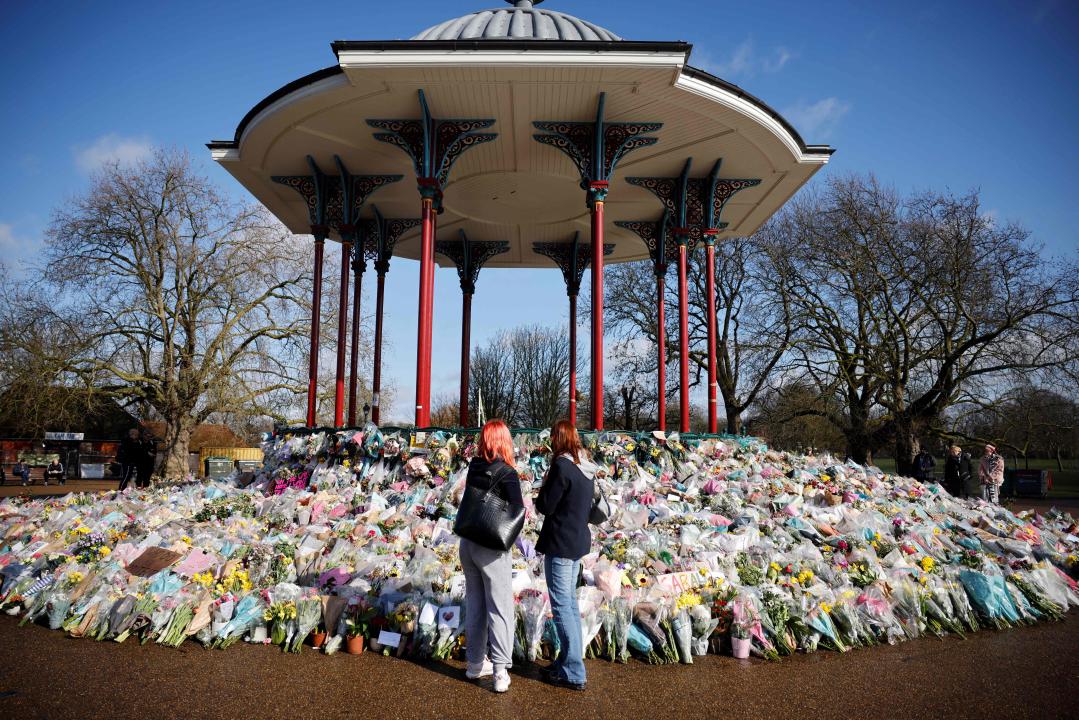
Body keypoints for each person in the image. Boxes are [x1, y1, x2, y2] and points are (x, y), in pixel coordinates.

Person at [458, 419, 523, 694]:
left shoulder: (474, 466)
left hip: (468, 542)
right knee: (499, 608)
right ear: (504, 441)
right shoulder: (507, 473)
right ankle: (499, 672)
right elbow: (518, 510)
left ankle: (474, 664)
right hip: (491, 547)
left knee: (476, 604)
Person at [535, 419, 593, 692]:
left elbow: (546, 506)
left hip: (560, 544)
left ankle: (573, 671)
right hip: (577, 544)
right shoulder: (585, 467)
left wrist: (545, 484)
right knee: (569, 605)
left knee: (562, 608)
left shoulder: (561, 466)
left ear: (559, 438)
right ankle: (566, 662)